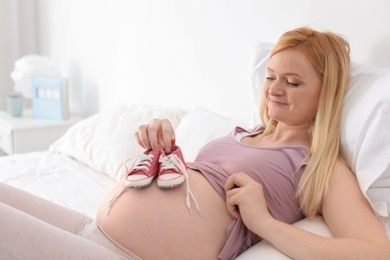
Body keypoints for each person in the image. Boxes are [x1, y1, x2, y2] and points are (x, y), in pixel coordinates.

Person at [0, 27, 389, 260]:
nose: (274, 89)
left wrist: (264, 223)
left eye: (293, 81)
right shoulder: (244, 132)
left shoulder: (320, 166)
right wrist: (163, 150)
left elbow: (375, 252)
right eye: (271, 76)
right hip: (94, 229)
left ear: (327, 92)